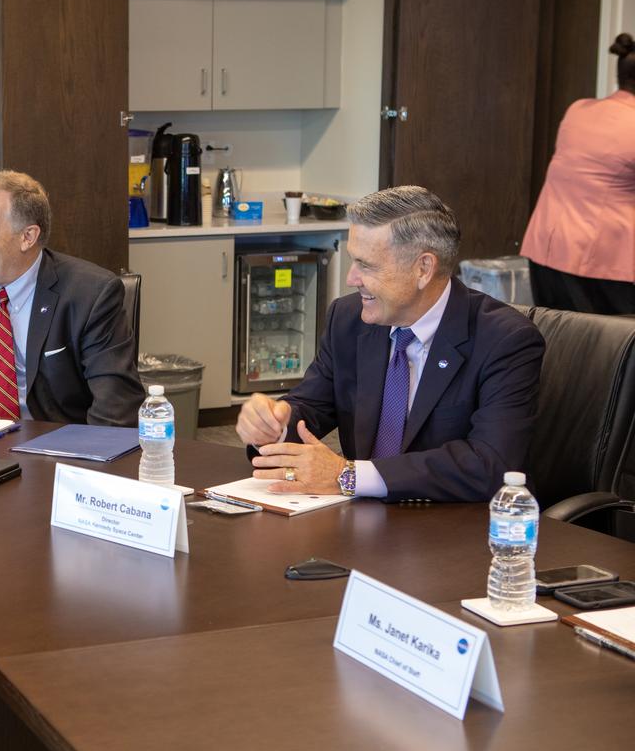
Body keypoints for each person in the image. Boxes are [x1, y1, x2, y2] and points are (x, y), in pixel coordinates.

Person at [236, 186, 545, 503]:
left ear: (423, 268)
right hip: (364, 521)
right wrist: (273, 424)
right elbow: (311, 406)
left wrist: (350, 475)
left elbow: (490, 464)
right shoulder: (348, 317)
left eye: (366, 265)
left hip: (457, 530)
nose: (351, 278)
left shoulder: (506, 340)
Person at [0, 170, 145, 426]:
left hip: (56, 448)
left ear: (28, 237)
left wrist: (71, 460)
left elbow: (116, 404)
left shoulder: (91, 294)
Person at [521, 33, 635, 314]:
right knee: (613, 353)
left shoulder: (578, 110)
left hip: (548, 251)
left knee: (562, 343)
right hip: (603, 264)